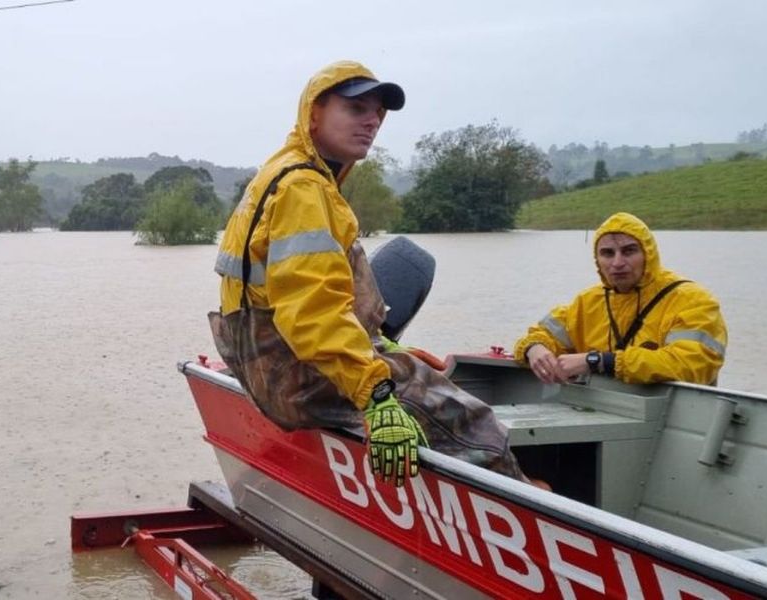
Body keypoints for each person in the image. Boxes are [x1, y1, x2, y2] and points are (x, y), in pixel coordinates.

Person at [209, 60, 533, 488]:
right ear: (314, 113)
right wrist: (376, 394)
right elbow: (313, 313)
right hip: (302, 376)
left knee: (420, 376)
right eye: (356, 108)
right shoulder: (304, 189)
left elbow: (305, 294)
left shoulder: (286, 172)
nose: (372, 121)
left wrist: (386, 348)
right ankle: (532, 506)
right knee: (476, 425)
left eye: (378, 112)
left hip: (275, 365)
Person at [514, 212, 728, 386]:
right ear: (597, 260)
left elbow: (691, 365)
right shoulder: (587, 302)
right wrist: (535, 349)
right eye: (608, 253)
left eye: (629, 251)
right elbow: (539, 335)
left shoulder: (693, 300)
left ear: (648, 254)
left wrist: (598, 361)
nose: (617, 263)